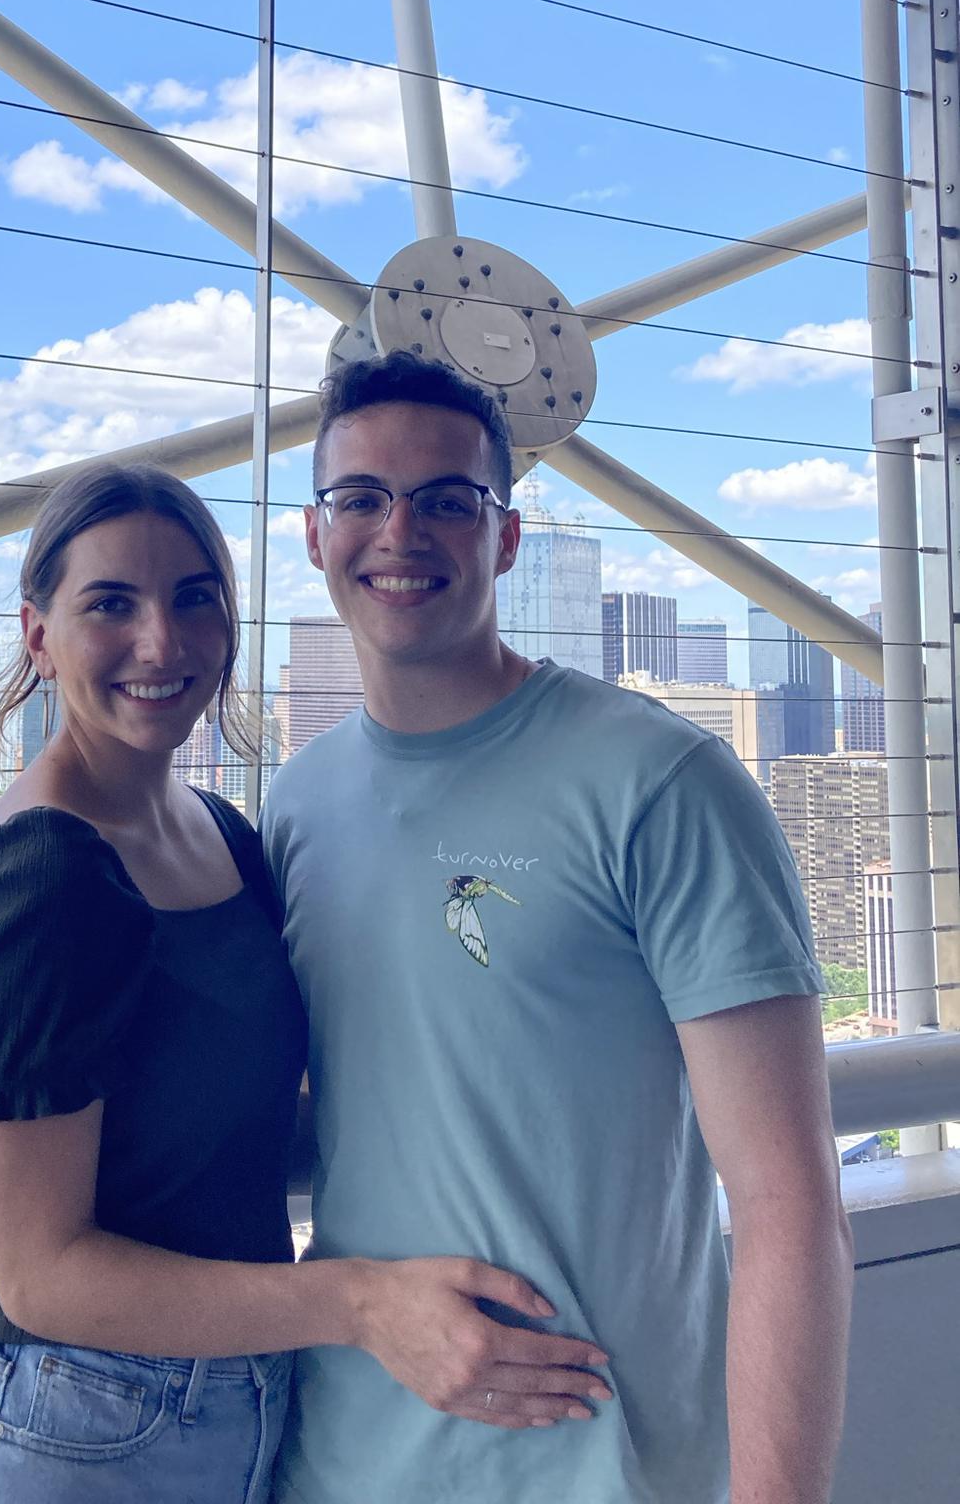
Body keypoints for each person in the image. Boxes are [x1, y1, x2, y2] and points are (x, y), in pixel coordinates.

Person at [0, 460, 613, 1504]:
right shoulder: (45, 868)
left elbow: (226, 1119)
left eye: (197, 597)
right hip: (71, 1429)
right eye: (112, 602)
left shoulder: (224, 833)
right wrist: (368, 1304)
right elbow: (44, 1277)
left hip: (243, 1399)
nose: (164, 640)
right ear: (37, 632)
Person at [261, 349, 854, 1504]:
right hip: (339, 1457)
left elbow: (788, 1199)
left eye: (447, 498)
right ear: (314, 532)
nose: (401, 528)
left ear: (508, 538)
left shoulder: (658, 779)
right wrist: (60, 1223)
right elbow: (332, 1108)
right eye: (362, 497)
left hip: (609, 1466)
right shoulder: (297, 803)